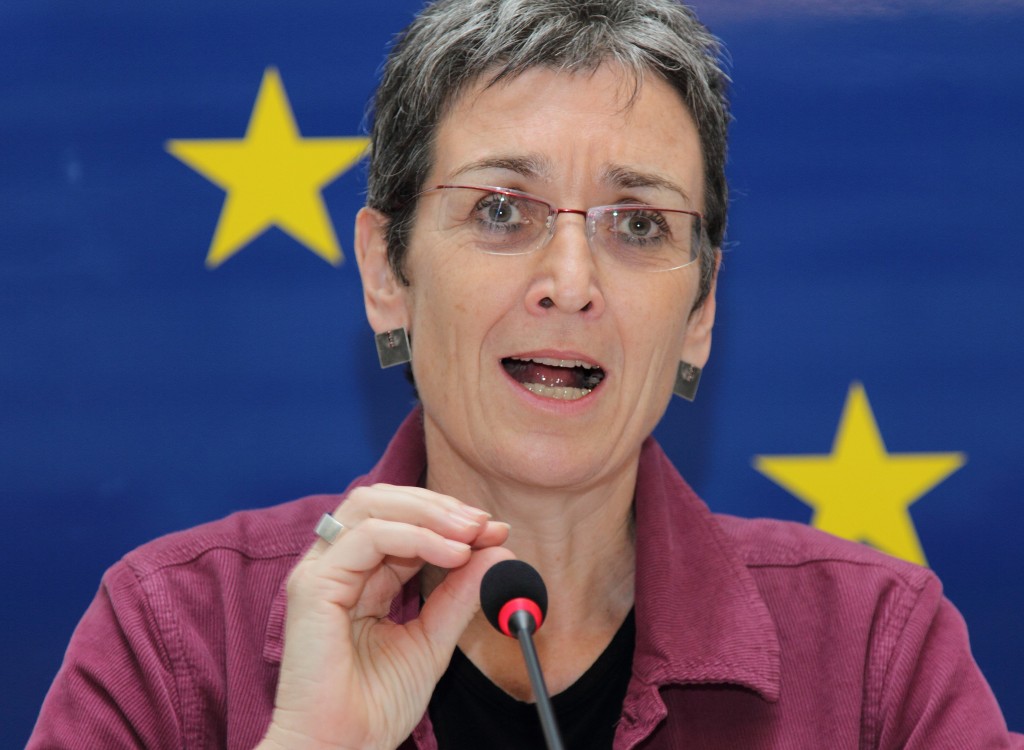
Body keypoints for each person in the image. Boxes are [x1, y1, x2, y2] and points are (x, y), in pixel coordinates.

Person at [29, 0, 1023, 748]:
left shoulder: (875, 655)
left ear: (701, 311)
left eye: (639, 223)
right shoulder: (174, 638)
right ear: (386, 273)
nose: (571, 284)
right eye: (501, 211)